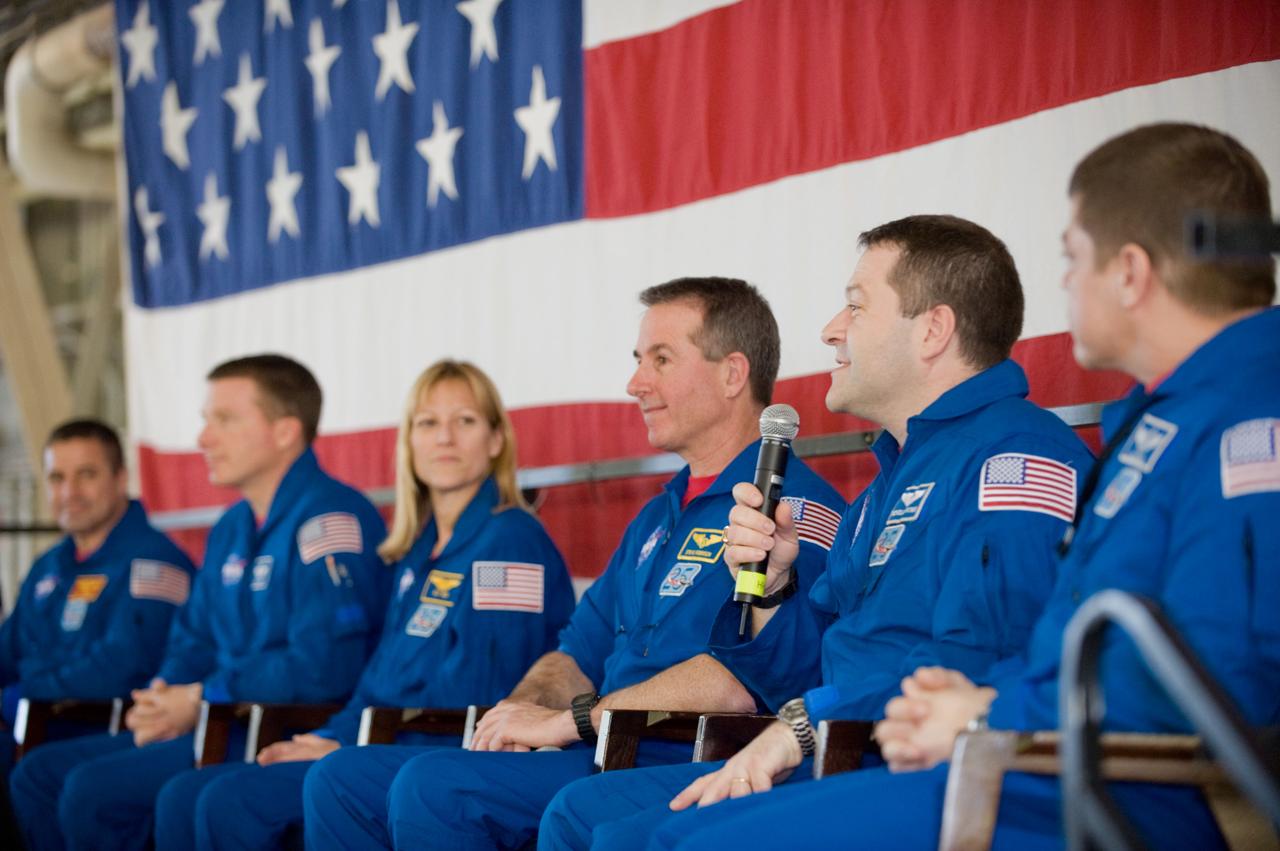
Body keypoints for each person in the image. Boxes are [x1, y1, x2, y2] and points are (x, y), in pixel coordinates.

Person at [595, 124, 1279, 851]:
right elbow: (840, 662)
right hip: (964, 754)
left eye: (1074, 258)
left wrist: (987, 712)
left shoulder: (1213, 429)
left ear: (1133, 272)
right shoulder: (1158, 425)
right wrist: (769, 592)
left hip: (1078, 787)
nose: (1068, 284)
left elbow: (1217, 679)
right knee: (617, 831)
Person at [538, 214, 1095, 850]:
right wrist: (773, 592)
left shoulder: (1014, 458)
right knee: (585, 818)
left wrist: (803, 725)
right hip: (836, 750)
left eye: (855, 307)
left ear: (934, 330)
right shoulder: (884, 484)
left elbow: (981, 666)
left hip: (930, 771)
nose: (832, 330)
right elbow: (807, 668)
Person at [302, 277, 846, 850]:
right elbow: (577, 650)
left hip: (683, 753)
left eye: (661, 360)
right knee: (341, 779)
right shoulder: (657, 516)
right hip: (599, 746)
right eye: (639, 361)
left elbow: (742, 681)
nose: (636, 383)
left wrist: (570, 721)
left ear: (733, 374)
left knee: (437, 786)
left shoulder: (792, 509)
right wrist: (523, 707)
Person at [151, 359, 577, 850]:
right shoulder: (417, 553)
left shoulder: (510, 538)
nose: (445, 439)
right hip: (385, 745)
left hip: (441, 758)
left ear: (496, 440)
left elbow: (485, 691)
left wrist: (348, 742)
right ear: (410, 442)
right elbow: (377, 681)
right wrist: (332, 734)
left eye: (465, 421)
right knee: (196, 793)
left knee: (233, 799)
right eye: (428, 423)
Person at [10, 354, 390, 851]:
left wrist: (202, 697)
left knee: (93, 791)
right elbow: (193, 637)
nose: (203, 439)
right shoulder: (232, 526)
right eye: (206, 420)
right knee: (39, 773)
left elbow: (323, 668)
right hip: (214, 717)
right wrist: (165, 696)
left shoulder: (332, 521)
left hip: (278, 728)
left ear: (284, 431)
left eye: (224, 420)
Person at [0, 420, 195, 839]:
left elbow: (121, 668)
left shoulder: (154, 563)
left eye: (86, 475)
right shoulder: (48, 565)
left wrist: (26, 688)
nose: (69, 492)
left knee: (48, 775)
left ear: (121, 478)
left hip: (104, 723)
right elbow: (8, 649)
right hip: (35, 718)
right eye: (57, 478)